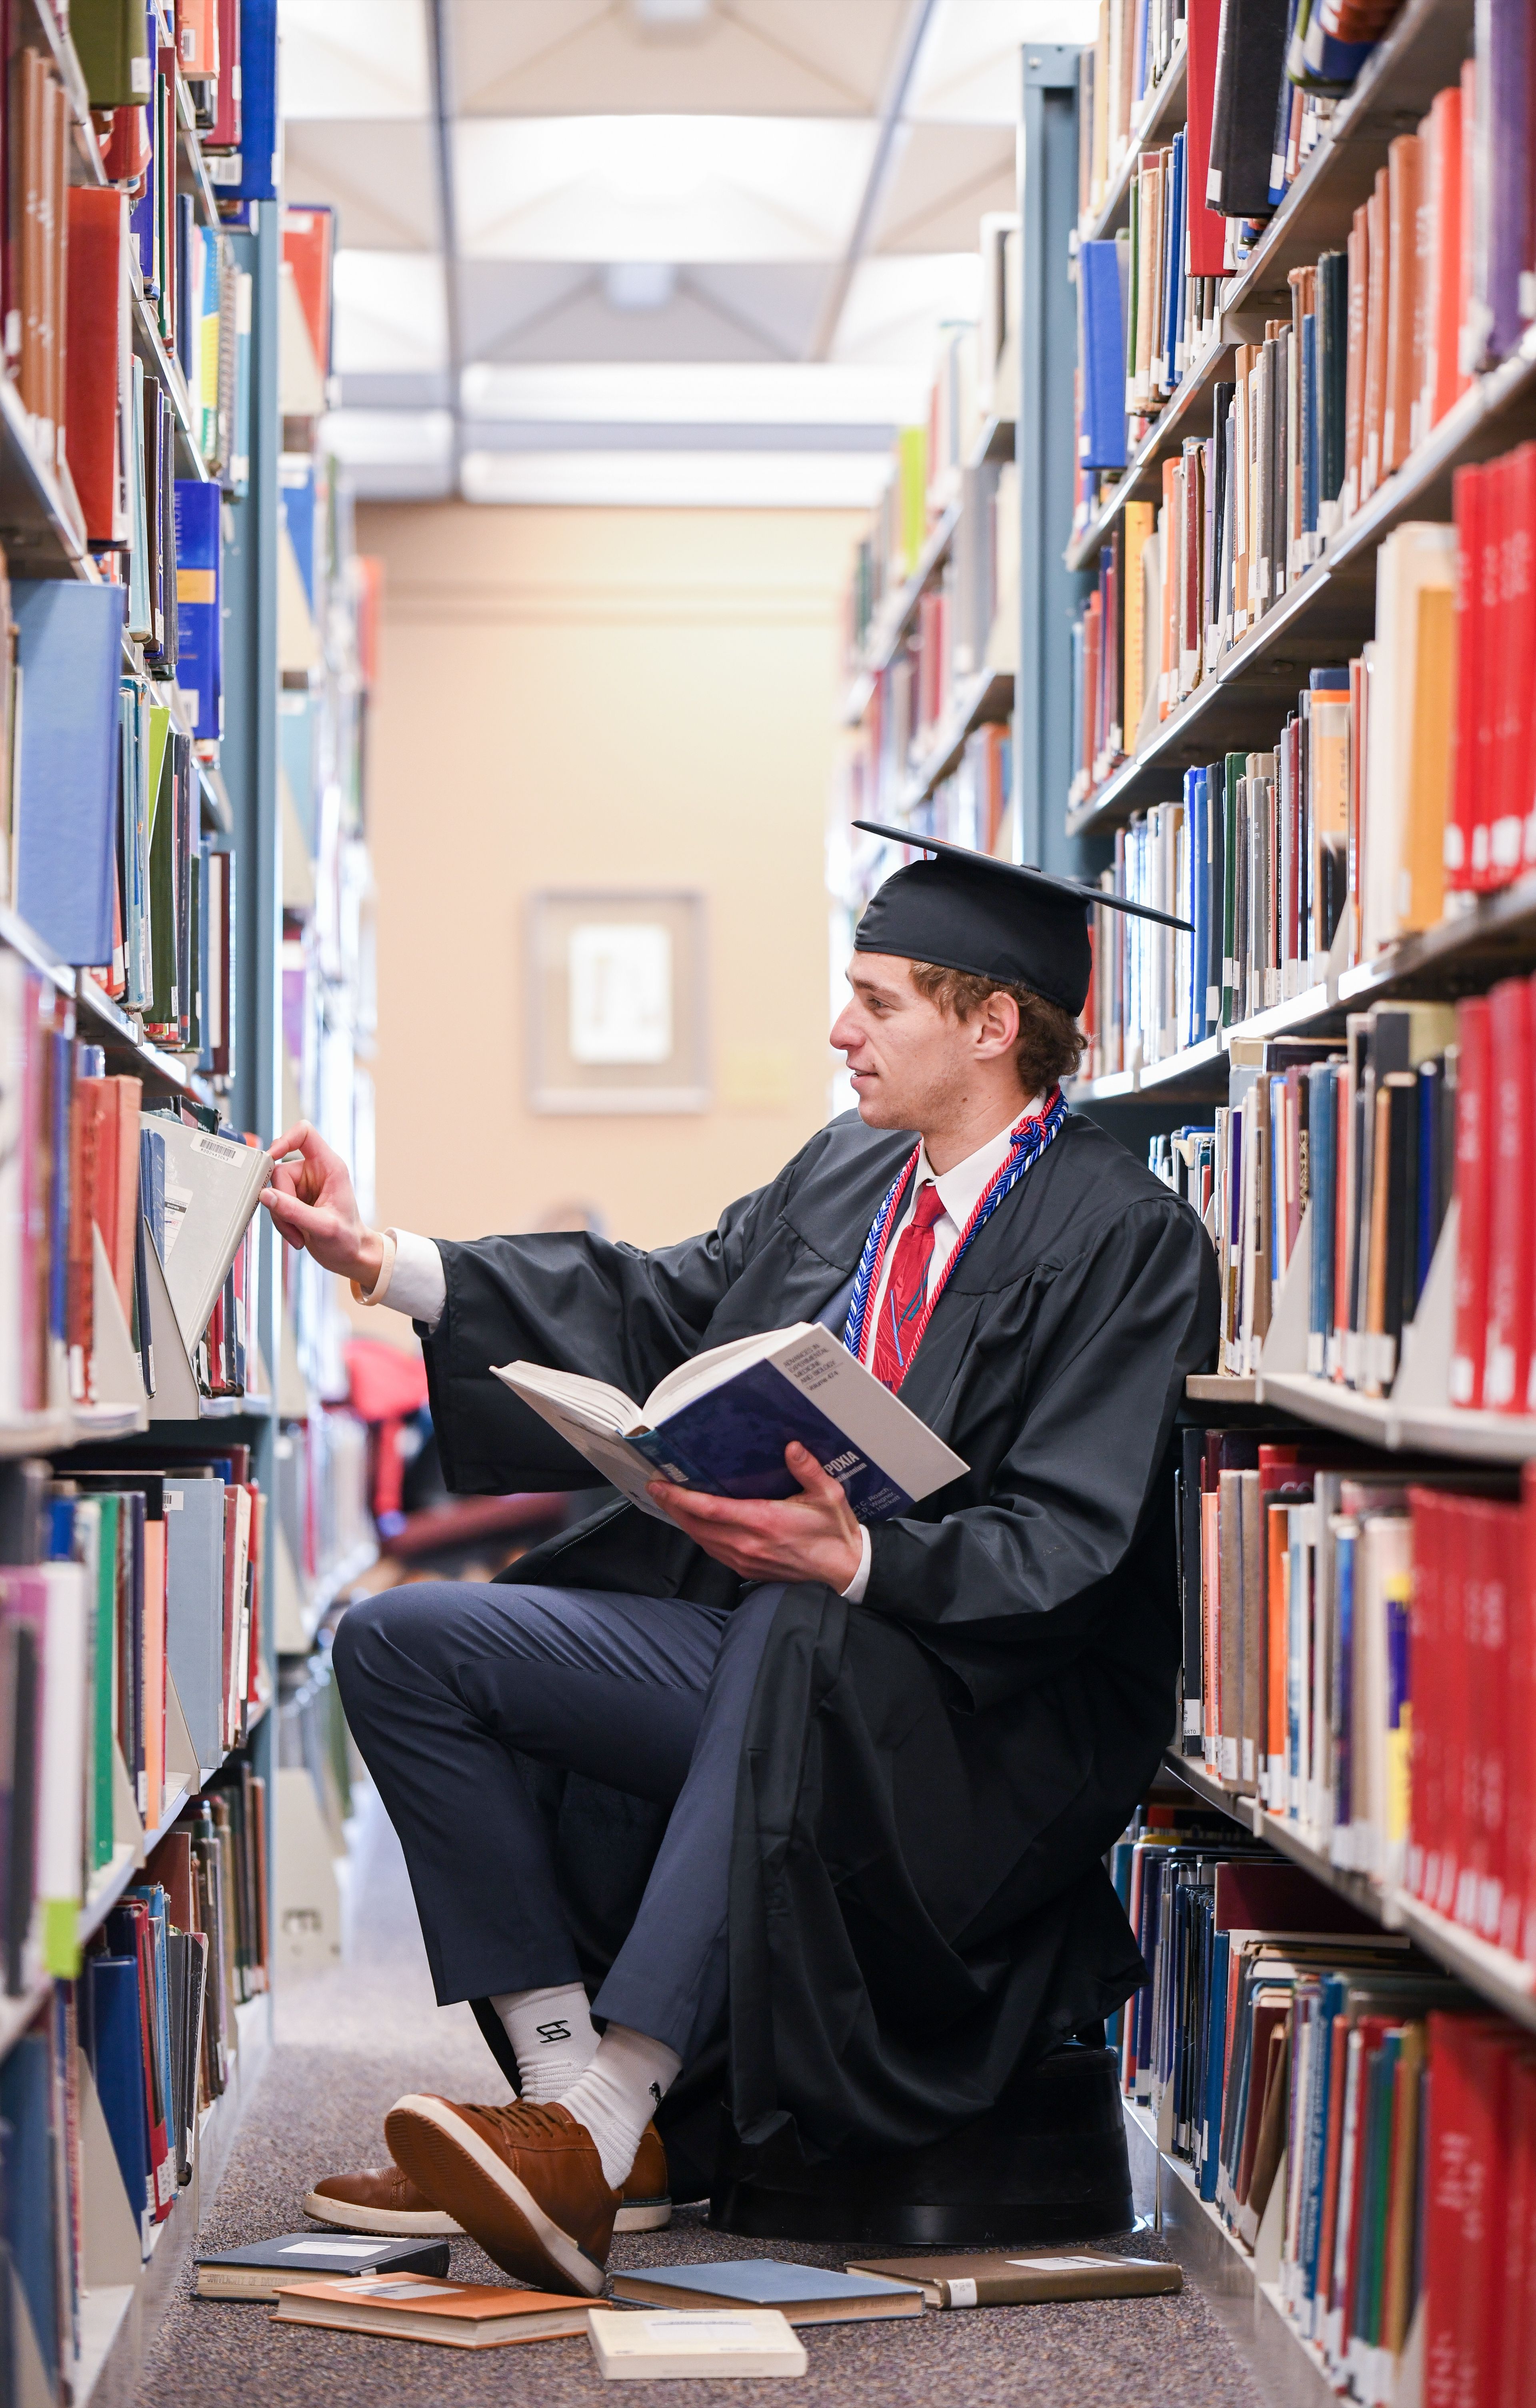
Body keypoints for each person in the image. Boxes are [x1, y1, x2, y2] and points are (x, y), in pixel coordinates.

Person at [267, 830, 1219, 2298]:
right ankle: (575, 2107)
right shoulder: (852, 1171)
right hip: (778, 1657)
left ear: (993, 1024)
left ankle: (601, 2115)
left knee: (797, 1620)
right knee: (405, 1647)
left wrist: (857, 1563)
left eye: (879, 1000)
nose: (841, 1030)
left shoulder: (1125, 1237)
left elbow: (1074, 1544)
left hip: (976, 1720)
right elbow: (660, 1308)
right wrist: (384, 1256)